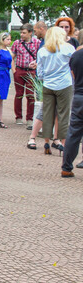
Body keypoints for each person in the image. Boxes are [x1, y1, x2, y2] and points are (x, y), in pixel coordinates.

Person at [36, 26, 74, 155]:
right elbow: (72, 66)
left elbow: (39, 72)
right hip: (64, 84)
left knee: (47, 114)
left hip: (48, 85)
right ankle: (63, 144)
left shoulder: (43, 51)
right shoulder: (68, 48)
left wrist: (45, 79)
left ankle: (46, 141)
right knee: (63, 114)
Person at [10, 23, 40, 127]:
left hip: (31, 72)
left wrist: (36, 64)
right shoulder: (17, 43)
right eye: (21, 32)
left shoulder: (37, 43)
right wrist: (14, 70)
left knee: (30, 95)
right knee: (19, 94)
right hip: (19, 70)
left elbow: (41, 57)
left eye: (24, 33)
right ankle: (18, 117)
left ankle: (30, 118)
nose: (21, 35)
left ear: (30, 33)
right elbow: (11, 57)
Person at [60, 40, 83, 177]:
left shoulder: (76, 55)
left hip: (79, 97)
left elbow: (73, 75)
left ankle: (66, 167)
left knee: (73, 134)